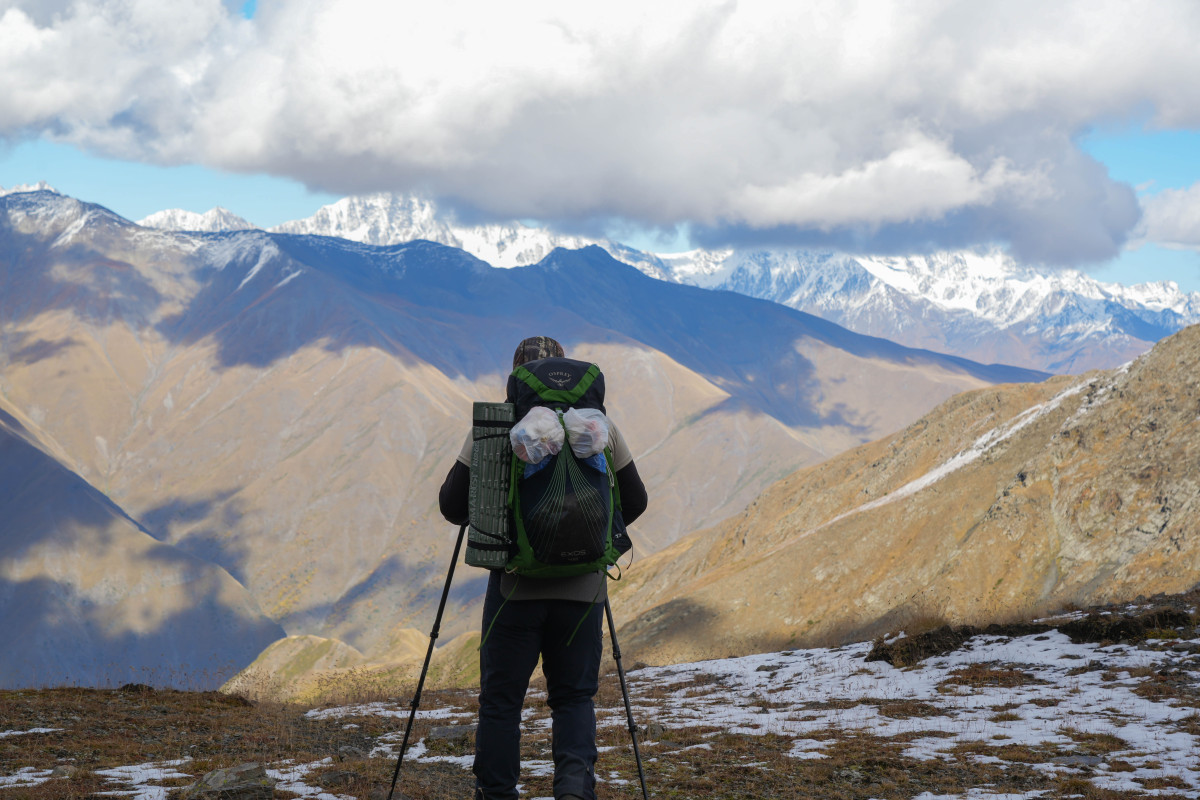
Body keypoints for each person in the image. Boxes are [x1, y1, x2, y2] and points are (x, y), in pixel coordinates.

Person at [439, 335, 648, 800]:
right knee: (574, 699)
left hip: (514, 590)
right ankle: (574, 792)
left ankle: (495, 794)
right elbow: (635, 500)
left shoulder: (497, 428)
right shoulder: (597, 429)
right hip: (583, 593)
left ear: (516, 380)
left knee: (501, 702)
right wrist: (589, 536)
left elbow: (452, 507)